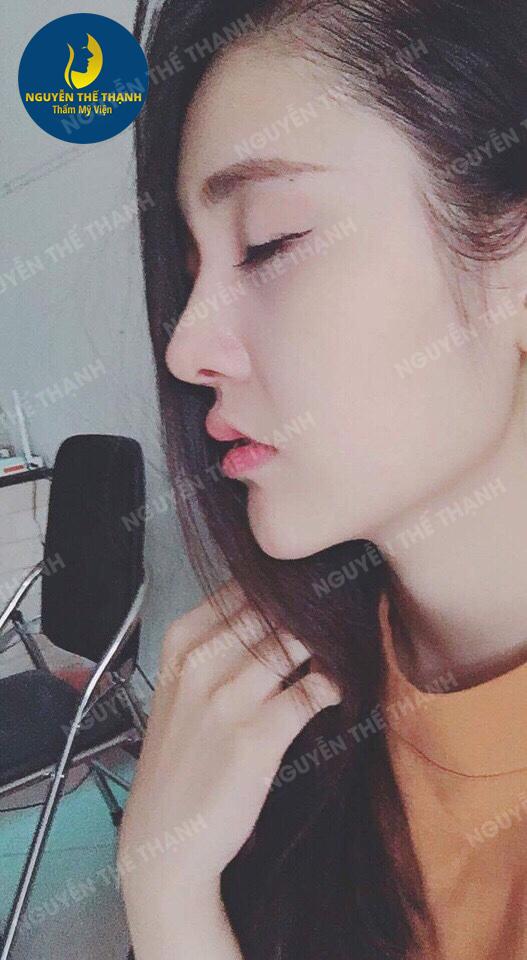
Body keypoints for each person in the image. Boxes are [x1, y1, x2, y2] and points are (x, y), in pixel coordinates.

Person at [118, 1, 527, 957]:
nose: (184, 347)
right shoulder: (267, 728)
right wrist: (167, 884)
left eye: (267, 243)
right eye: (190, 273)